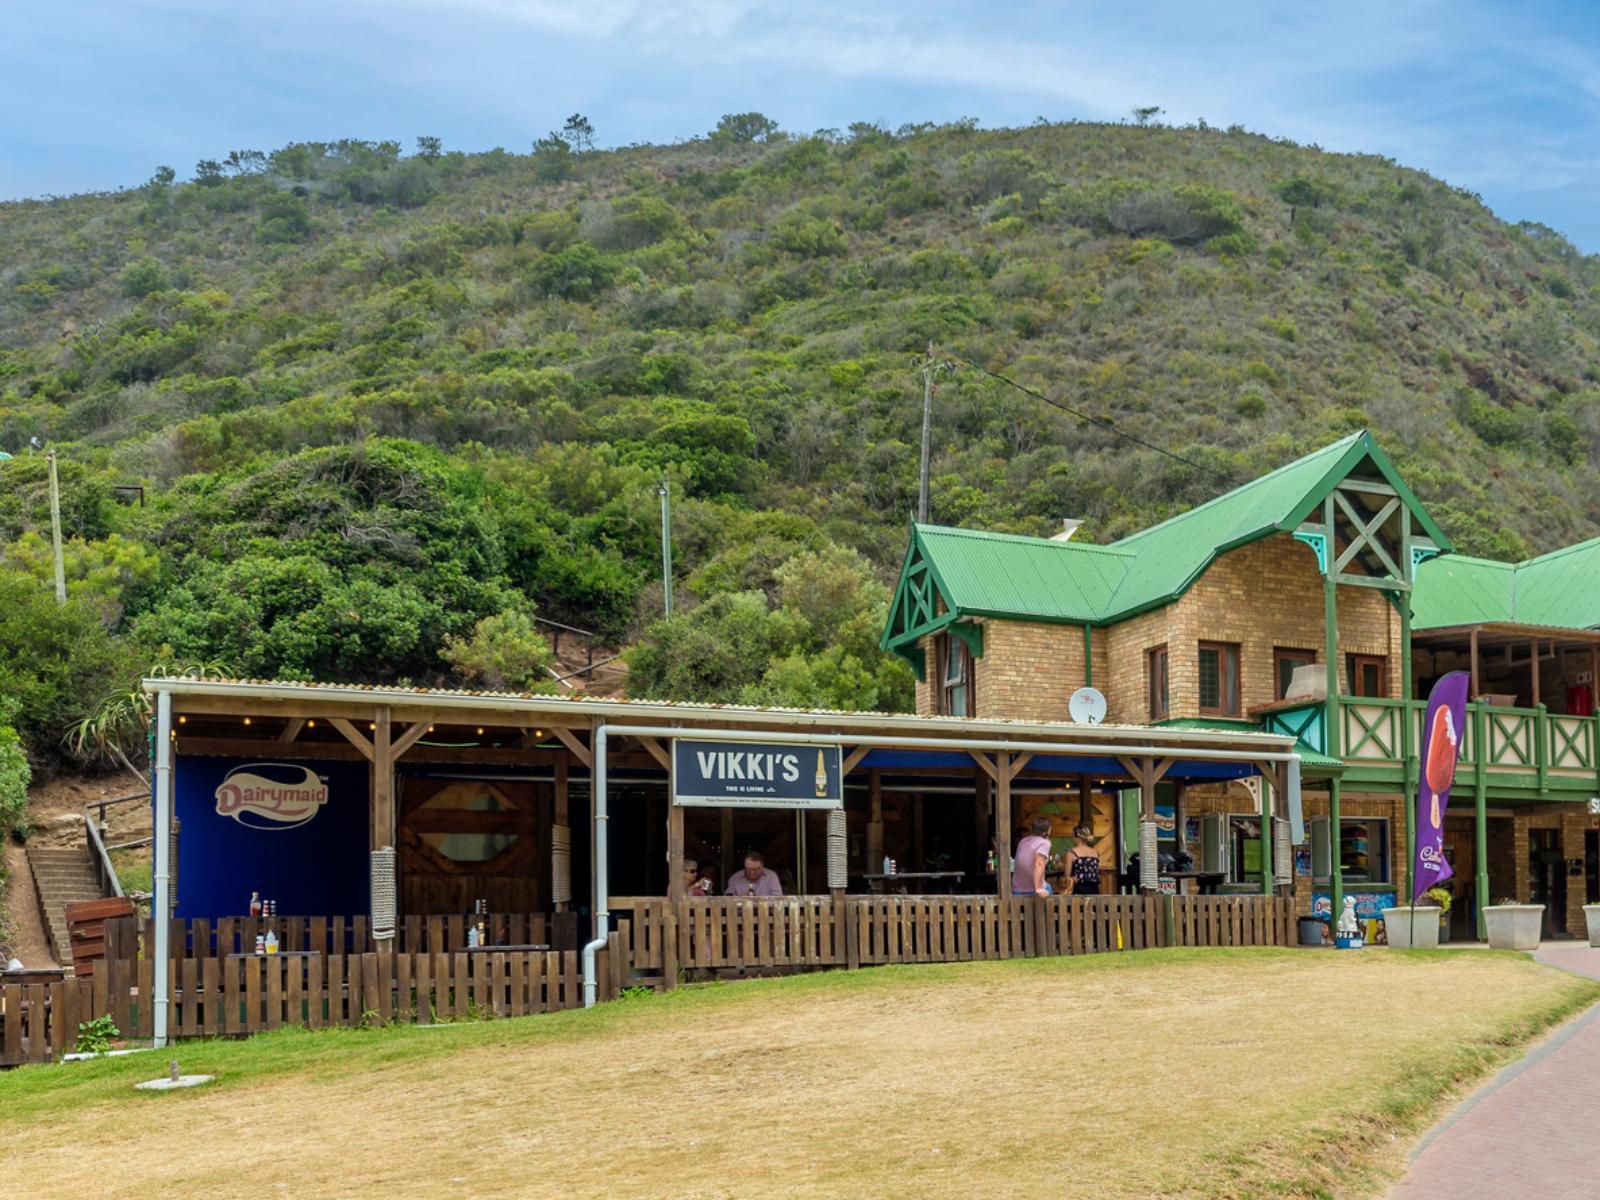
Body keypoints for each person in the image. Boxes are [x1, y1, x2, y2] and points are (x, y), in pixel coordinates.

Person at [1011, 816, 1053, 897]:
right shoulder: (1044, 843)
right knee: (1049, 888)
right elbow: (1039, 863)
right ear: (1047, 831)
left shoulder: (1023, 841)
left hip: (1016, 890)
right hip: (1032, 891)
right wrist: (1038, 888)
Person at [1065, 824, 1101, 896]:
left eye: (1072, 835)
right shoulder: (1095, 853)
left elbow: (1067, 875)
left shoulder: (1071, 853)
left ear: (1077, 837)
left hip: (1079, 889)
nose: (1072, 837)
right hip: (1094, 889)